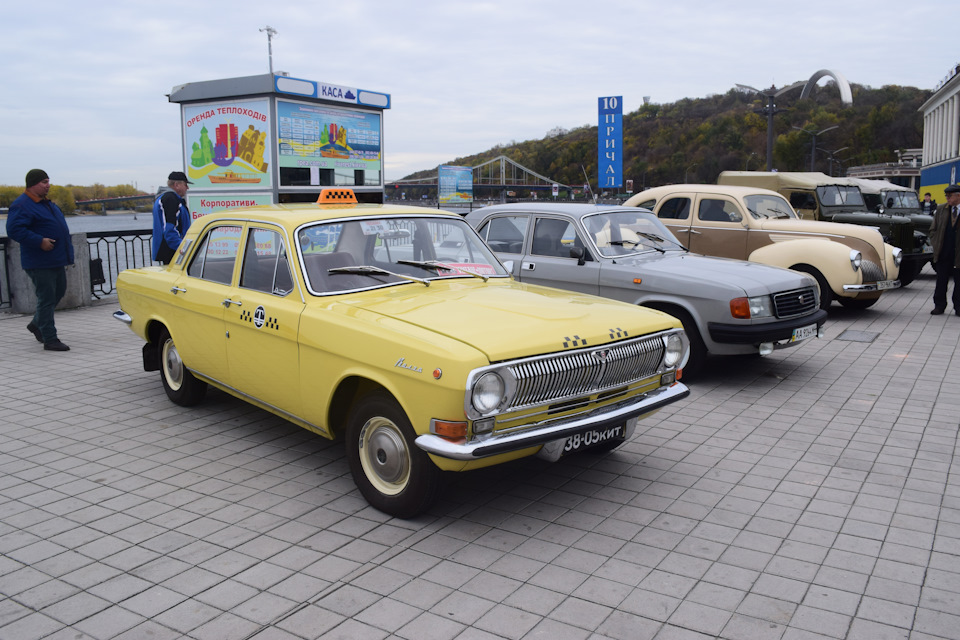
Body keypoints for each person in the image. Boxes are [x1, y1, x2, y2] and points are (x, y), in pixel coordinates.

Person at [6, 169, 74, 351]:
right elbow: (14, 230)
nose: (48, 185)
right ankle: (50, 339)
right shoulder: (22, 205)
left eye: (48, 181)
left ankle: (36, 324)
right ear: (33, 184)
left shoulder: (45, 204)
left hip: (56, 259)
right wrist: (39, 241)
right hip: (39, 261)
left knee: (58, 293)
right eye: (44, 182)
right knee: (46, 298)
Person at [929, 184, 960, 315]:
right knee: (941, 280)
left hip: (958, 254)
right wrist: (936, 245)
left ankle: (958, 307)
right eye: (946, 196)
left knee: (959, 282)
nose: (947, 198)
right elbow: (933, 229)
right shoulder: (941, 209)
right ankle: (939, 305)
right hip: (943, 251)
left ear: (958, 196)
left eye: (950, 196)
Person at [152, 171, 193, 264]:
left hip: (170, 251)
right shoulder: (171, 199)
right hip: (173, 252)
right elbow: (170, 230)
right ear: (176, 185)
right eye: (185, 184)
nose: (187, 188)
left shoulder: (165, 198)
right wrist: (184, 249)